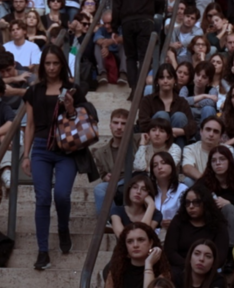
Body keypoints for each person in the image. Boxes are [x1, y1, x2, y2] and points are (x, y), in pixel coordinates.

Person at [21, 45, 94, 269]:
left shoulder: (73, 89)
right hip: (41, 148)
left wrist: (71, 108)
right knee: (42, 198)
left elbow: (82, 118)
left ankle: (63, 228)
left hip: (66, 148)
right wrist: (26, 155)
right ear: (42, 65)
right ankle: (43, 251)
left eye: (55, 63)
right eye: (48, 63)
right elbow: (30, 124)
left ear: (62, 64)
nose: (51, 67)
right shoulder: (34, 91)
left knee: (62, 195)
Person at [112, 0, 164, 90]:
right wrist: (156, 13)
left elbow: (116, 4)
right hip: (146, 19)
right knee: (144, 56)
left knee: (130, 57)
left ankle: (133, 88)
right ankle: (140, 89)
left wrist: (114, 27)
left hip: (127, 21)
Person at [163, 185, 228, 281]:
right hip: (181, 268)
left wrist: (202, 267)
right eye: (187, 203)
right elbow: (170, 251)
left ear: (206, 203)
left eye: (196, 202)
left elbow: (221, 256)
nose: (191, 206)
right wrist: (191, 266)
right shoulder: (178, 220)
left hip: (208, 269)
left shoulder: (218, 224)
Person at [138, 63, 198, 149]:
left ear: (174, 80)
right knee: (162, 115)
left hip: (177, 141)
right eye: (162, 78)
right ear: (157, 81)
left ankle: (178, 155)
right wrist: (166, 131)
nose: (165, 81)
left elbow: (193, 126)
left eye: (169, 77)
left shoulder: (182, 102)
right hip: (155, 144)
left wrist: (180, 131)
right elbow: (143, 124)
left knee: (179, 116)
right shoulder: (148, 100)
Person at [195, 145, 234, 246]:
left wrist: (228, 202)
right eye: (213, 160)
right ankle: (232, 248)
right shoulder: (203, 183)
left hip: (232, 220)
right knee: (229, 208)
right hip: (209, 220)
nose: (218, 163)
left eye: (222, 159)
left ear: (229, 161)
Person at [92, 109, 133, 214]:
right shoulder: (100, 153)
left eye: (123, 123)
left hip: (134, 181)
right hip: (115, 184)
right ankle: (110, 219)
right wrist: (106, 177)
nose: (119, 127)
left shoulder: (137, 142)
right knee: (99, 189)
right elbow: (102, 174)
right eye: (115, 123)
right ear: (110, 125)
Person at [106, 222, 171, 288]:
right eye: (130, 241)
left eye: (140, 240)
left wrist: (149, 264)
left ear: (150, 243)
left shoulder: (162, 272)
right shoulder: (117, 271)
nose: (135, 245)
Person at [181, 117, 228, 183]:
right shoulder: (190, 149)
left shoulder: (228, 150)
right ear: (201, 132)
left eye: (216, 131)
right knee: (188, 181)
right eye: (208, 130)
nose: (211, 134)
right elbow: (187, 168)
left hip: (221, 184)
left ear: (220, 136)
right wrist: (206, 181)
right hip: (201, 184)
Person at [150, 152, 188, 231]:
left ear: (172, 166)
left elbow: (187, 217)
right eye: (155, 165)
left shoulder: (182, 189)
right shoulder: (149, 191)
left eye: (163, 163)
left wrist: (175, 223)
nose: (159, 167)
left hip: (176, 232)